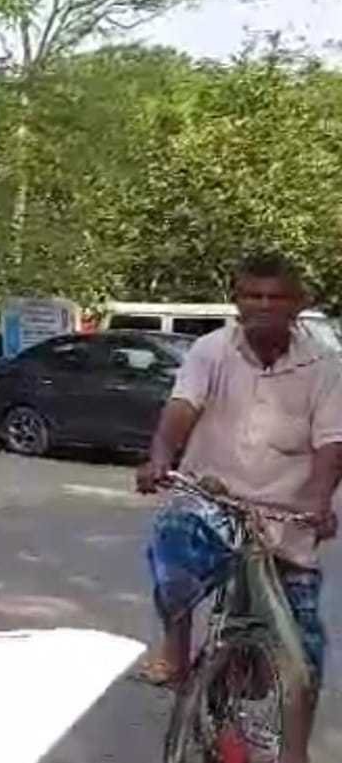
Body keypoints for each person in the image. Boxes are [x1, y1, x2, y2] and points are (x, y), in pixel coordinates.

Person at [136, 253, 342, 763]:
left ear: (298, 305)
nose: (263, 306)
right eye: (253, 296)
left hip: (285, 518)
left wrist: (320, 502)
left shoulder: (325, 366)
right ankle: (177, 649)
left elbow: (331, 444)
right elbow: (182, 406)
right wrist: (160, 457)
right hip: (213, 502)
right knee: (171, 543)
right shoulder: (211, 350)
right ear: (237, 302)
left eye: (276, 297)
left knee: (304, 657)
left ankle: (295, 755)